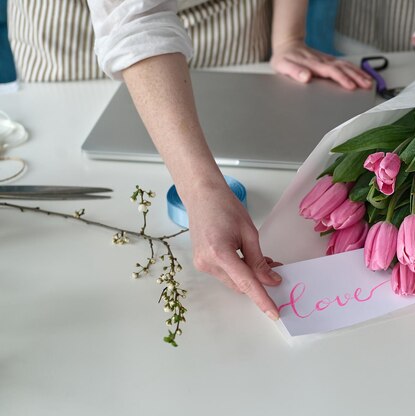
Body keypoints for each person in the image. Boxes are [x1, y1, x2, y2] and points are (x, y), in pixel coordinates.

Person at [8, 0, 372, 321]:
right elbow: (135, 19)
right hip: (80, 35)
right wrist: (200, 188)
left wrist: (288, 38)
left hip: (234, 17)